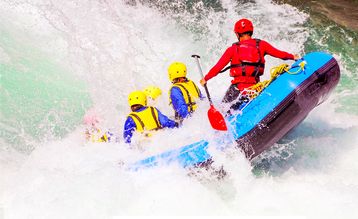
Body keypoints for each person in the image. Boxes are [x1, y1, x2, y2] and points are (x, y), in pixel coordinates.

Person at [200, 18, 299, 108]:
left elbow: (218, 67)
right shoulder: (262, 45)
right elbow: (280, 54)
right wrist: (293, 56)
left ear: (237, 34)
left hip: (237, 90)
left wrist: (206, 78)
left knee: (223, 109)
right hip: (255, 89)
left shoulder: (232, 49)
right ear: (251, 31)